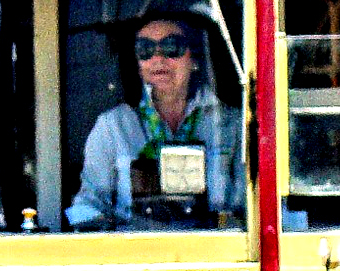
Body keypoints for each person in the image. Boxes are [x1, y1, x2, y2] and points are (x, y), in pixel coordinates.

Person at [66, 13, 244, 230]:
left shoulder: (232, 123)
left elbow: (252, 207)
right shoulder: (112, 126)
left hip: (213, 257)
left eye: (172, 47)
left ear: (194, 58)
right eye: (145, 50)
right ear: (138, 63)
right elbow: (87, 206)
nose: (158, 59)